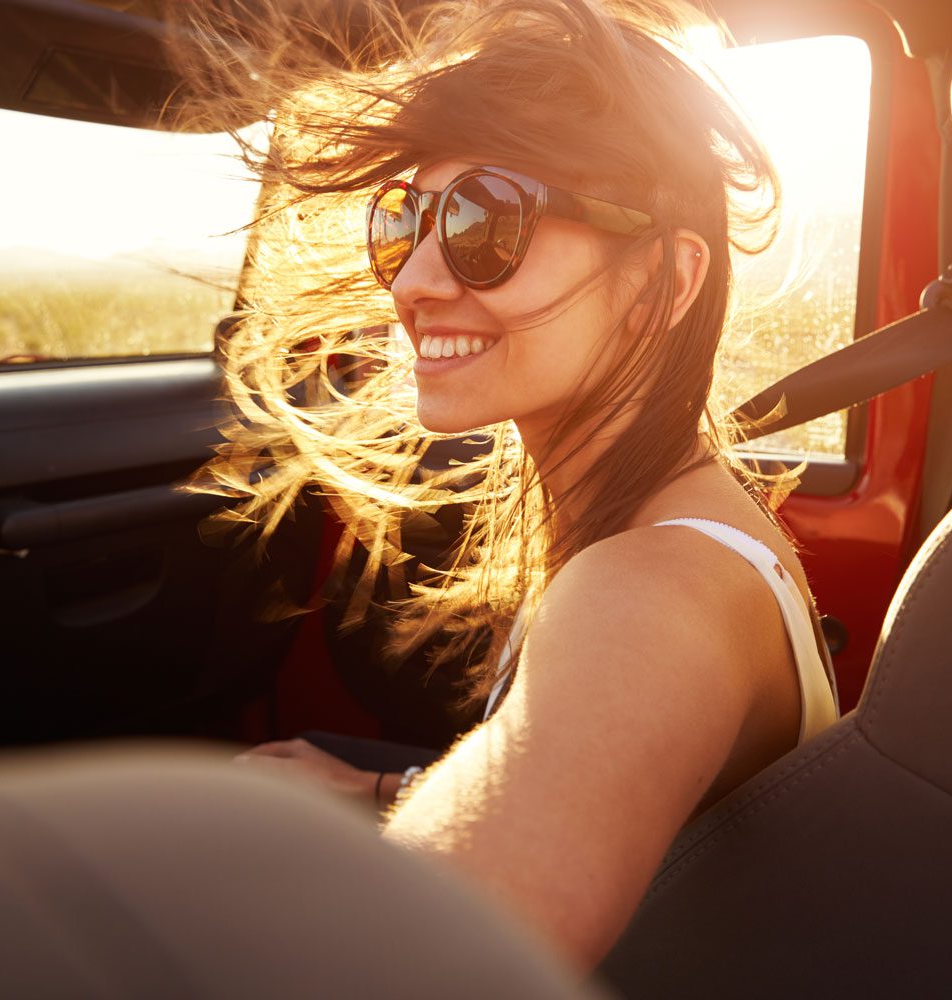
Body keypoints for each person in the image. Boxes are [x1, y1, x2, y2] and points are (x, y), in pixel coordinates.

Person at [172, 0, 839, 971]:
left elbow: (428, 964)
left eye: (487, 219)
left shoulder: (649, 590)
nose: (414, 283)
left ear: (662, 282)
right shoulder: (658, 523)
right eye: (403, 223)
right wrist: (383, 795)